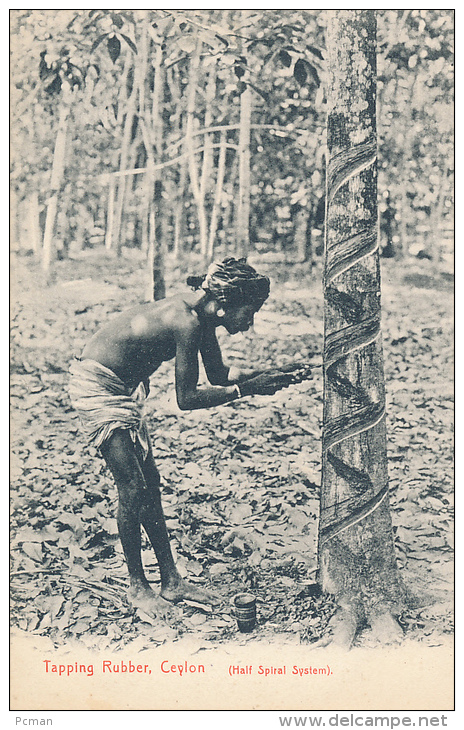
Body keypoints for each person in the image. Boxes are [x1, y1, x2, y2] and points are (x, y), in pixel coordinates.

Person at [69, 257, 303, 613]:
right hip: (98, 388)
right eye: (249, 312)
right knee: (132, 487)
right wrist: (249, 390)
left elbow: (220, 375)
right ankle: (137, 587)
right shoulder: (187, 321)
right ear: (225, 306)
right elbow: (187, 398)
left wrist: (269, 374)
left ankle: (172, 581)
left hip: (124, 389)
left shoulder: (203, 316)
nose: (250, 322)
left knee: (151, 484)